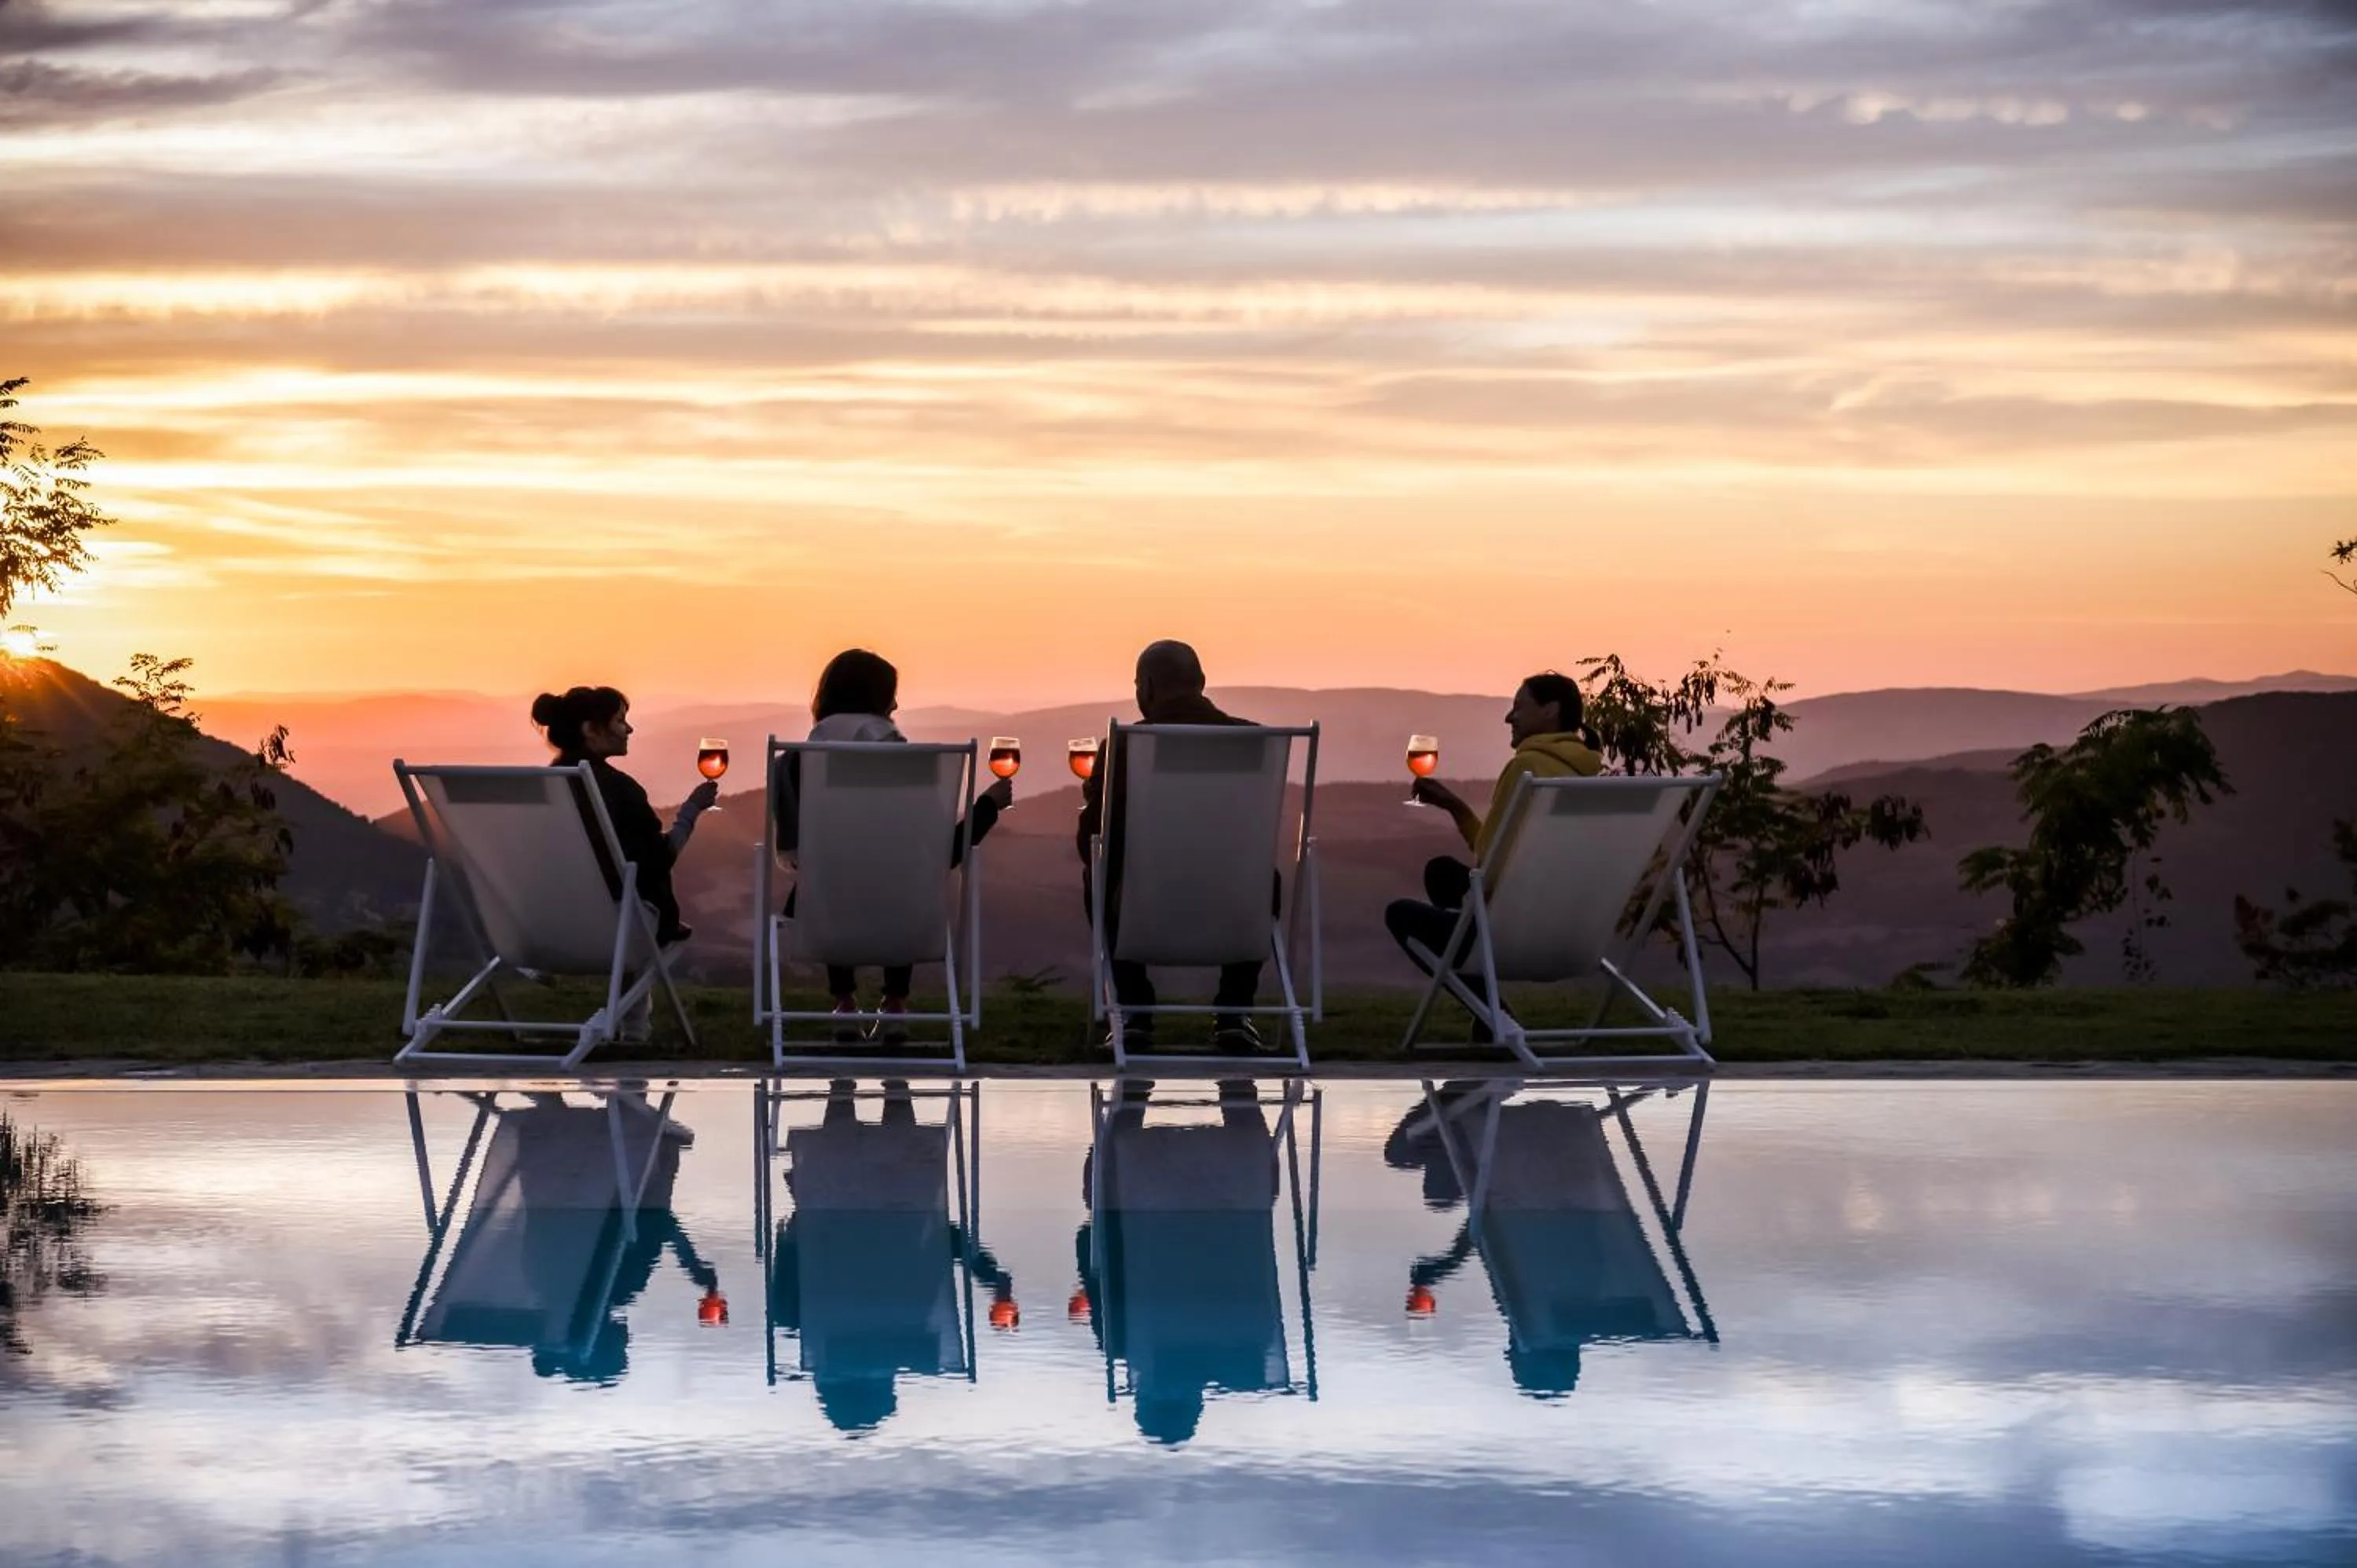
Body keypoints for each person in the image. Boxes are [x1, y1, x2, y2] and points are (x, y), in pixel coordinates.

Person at [772, 648, 1014, 1041]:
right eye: (891, 696)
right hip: (902, 912)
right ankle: (895, 1005)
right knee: (904, 876)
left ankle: (844, 1004)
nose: (897, 705)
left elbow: (799, 854)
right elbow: (943, 853)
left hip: (819, 912)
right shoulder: (901, 764)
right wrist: (988, 806)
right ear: (877, 700)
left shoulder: (800, 761)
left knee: (832, 873)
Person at [1076, 639, 1272, 1053]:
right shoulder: (1252, 742)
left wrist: (1093, 799)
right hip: (1236, 909)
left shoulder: (1125, 746)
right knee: (1265, 876)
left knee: (1097, 871)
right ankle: (1235, 1014)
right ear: (1201, 683)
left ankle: (1135, 1013)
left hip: (1146, 909)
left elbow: (1091, 843)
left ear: (1146, 687)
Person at [1384, 672, 1603, 1032]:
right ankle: (1491, 1019)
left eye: (1519, 707)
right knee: (1441, 872)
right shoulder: (1586, 771)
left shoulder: (1525, 767)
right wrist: (1458, 809)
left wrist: (1457, 812)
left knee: (1401, 915)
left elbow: (1488, 862)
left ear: (1550, 712)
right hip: (1573, 931)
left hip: (1515, 935)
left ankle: (1494, 1012)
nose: (1509, 717)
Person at [532, 687, 717, 1042]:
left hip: (544, 925)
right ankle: (632, 1028)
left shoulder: (544, 787)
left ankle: (634, 1028)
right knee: (639, 913)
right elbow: (660, 860)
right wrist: (691, 811)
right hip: (612, 929)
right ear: (591, 730)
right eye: (620, 721)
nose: (629, 729)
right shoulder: (619, 789)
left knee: (631, 907)